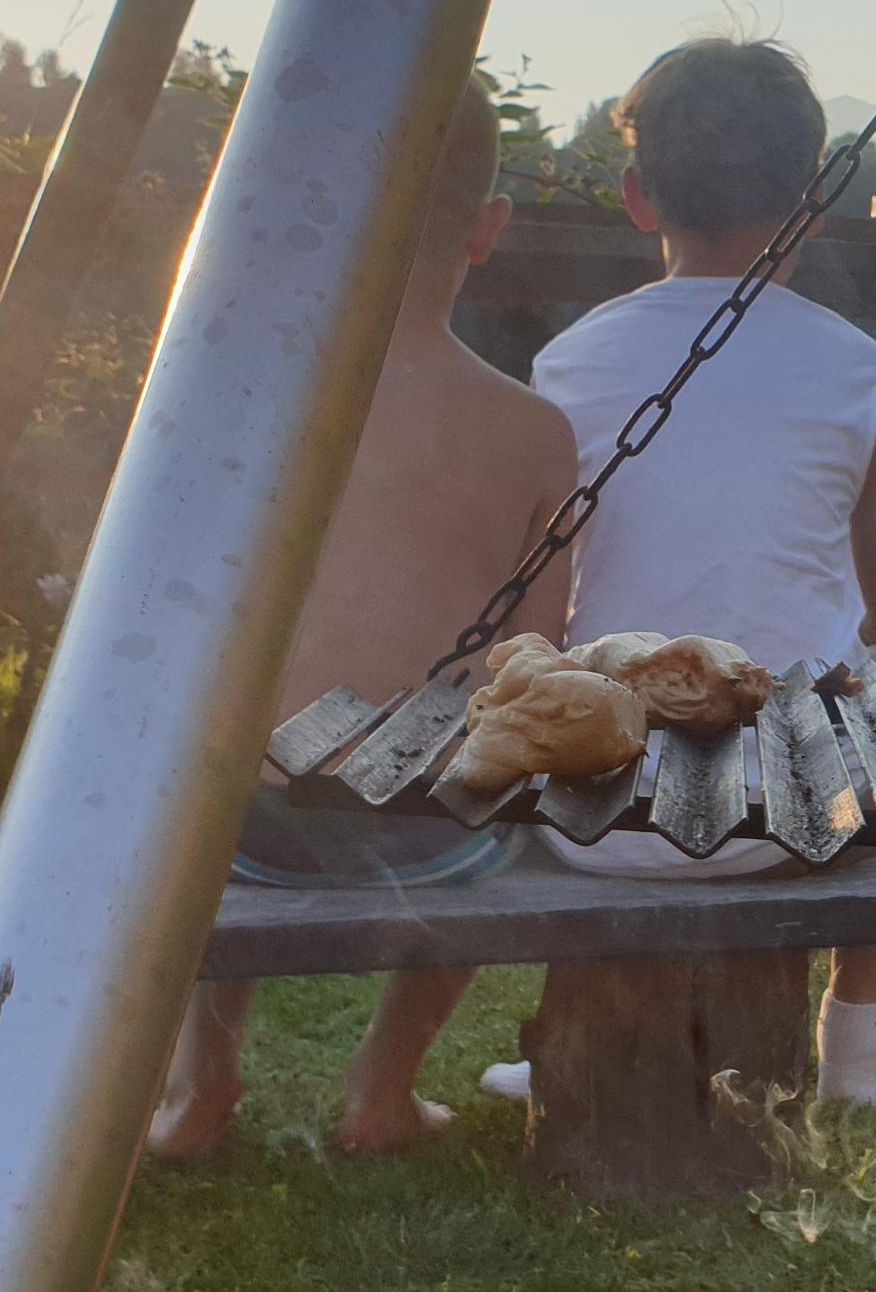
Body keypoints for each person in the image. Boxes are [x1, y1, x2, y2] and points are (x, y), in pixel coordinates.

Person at [482, 34, 876, 1106]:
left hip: (594, 820)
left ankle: (570, 1042)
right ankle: (860, 1048)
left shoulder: (569, 361)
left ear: (637, 197)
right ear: (812, 204)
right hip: (791, 820)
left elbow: (533, 606)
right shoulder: (860, 371)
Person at [146, 69, 578, 1162]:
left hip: (239, 836)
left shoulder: (241, 401)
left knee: (199, 773)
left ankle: (201, 1088)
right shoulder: (532, 432)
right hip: (434, 844)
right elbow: (531, 666)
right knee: (497, 789)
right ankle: (382, 1088)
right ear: (487, 228)